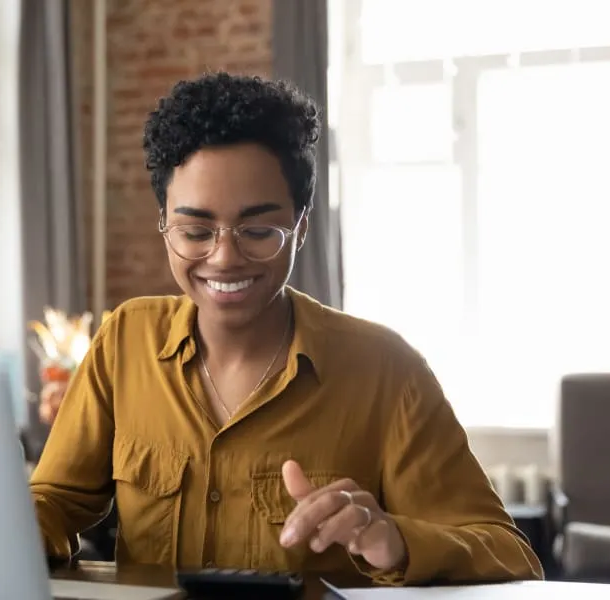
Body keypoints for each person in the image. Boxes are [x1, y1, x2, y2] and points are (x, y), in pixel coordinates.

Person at [28, 72, 543, 585]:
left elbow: (510, 555)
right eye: (195, 231)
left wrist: (394, 540)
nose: (224, 258)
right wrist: (13, 526)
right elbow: (54, 501)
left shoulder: (387, 372)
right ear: (163, 223)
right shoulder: (125, 341)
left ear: (301, 226)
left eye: (257, 230)